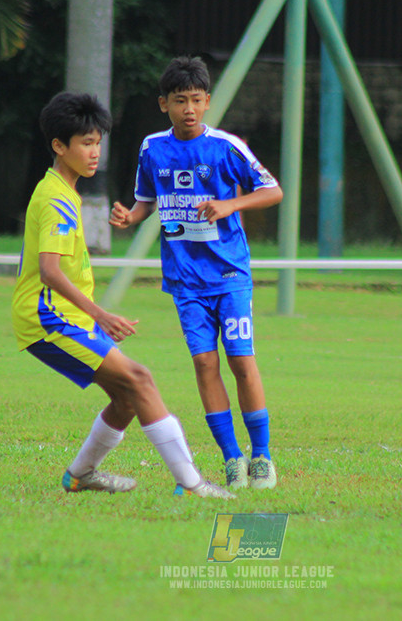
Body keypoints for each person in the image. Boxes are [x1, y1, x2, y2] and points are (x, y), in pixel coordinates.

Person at [12, 91, 233, 499]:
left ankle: (80, 475)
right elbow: (49, 270)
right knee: (140, 378)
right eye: (86, 144)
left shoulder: (61, 190)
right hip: (48, 319)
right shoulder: (57, 197)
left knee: (127, 398)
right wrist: (100, 314)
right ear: (59, 146)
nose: (95, 153)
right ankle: (193, 484)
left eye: (98, 143)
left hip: (60, 317)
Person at [110, 56, 283, 490]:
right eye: (179, 100)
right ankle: (232, 458)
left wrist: (230, 205)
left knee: (241, 361)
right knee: (205, 364)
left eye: (196, 100)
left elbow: (273, 190)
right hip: (185, 281)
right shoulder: (152, 148)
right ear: (163, 103)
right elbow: (148, 200)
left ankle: (261, 456)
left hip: (229, 275)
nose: (188, 108)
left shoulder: (225, 147)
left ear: (208, 102)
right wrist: (131, 218)